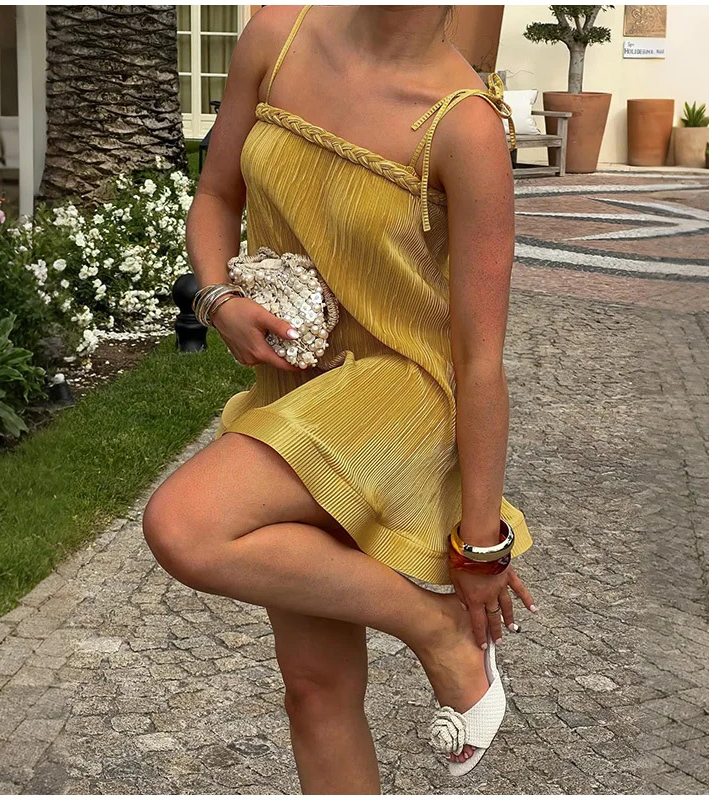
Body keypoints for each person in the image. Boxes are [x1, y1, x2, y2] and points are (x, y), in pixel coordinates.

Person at [143, 4, 537, 794]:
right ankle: (429, 631)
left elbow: (479, 361)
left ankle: (436, 629)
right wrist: (217, 299)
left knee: (184, 526)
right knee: (315, 692)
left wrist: (480, 547)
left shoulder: (463, 128)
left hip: (397, 399)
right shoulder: (276, 35)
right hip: (298, 390)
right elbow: (216, 194)